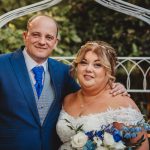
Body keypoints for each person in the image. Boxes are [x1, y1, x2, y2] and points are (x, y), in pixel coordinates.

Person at [0, 15, 128, 150]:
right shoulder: (2, 64)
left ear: (55, 42)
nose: (42, 42)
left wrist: (113, 86)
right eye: (36, 35)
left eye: (49, 37)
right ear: (25, 36)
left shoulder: (63, 72)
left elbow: (86, 95)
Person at [56, 41, 149, 150]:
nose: (88, 69)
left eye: (97, 65)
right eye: (84, 62)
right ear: (77, 67)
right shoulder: (67, 99)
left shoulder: (121, 104)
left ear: (108, 71)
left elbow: (142, 147)